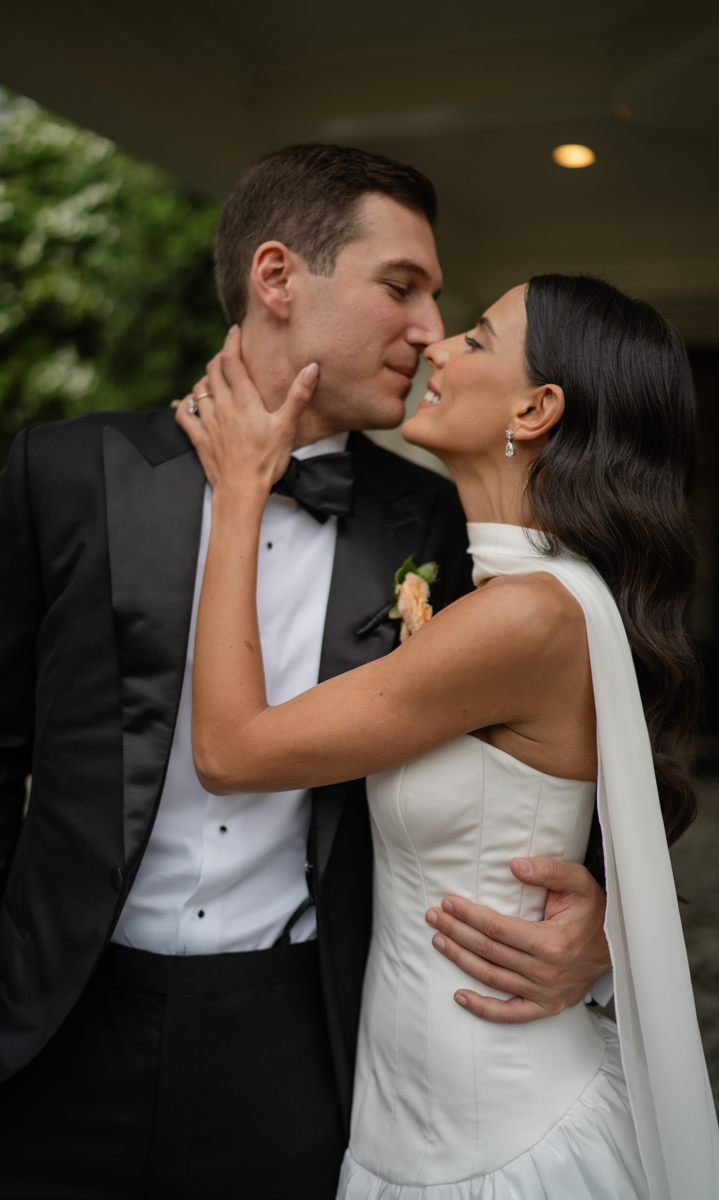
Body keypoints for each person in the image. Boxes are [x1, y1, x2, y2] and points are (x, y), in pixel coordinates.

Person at [0, 145, 610, 1199]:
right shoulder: (61, 476)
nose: (427, 331)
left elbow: (544, 739)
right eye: (401, 287)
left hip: (300, 1041)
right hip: (54, 1021)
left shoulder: (433, 518)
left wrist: (600, 917)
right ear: (277, 278)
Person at [174, 273, 719, 1199]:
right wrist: (608, 922)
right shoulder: (523, 599)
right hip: (413, 1120)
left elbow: (232, 752)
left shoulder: (526, 618)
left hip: (496, 1144)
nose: (436, 347)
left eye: (474, 338)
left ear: (537, 406)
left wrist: (240, 491)